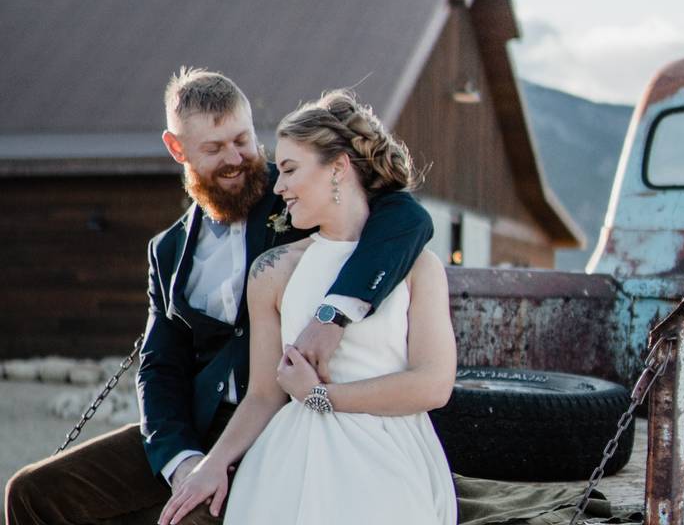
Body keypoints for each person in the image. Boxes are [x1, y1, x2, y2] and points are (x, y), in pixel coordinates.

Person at [4, 69, 433, 525]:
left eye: (242, 140)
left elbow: (407, 217)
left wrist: (333, 315)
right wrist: (182, 460)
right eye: (213, 148)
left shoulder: (297, 195)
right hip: (201, 426)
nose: (235, 159)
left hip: (281, 422)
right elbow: (159, 366)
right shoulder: (167, 250)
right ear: (177, 148)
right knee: (31, 492)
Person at [157, 90, 457, 525]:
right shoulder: (272, 272)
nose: (277, 186)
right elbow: (263, 394)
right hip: (291, 448)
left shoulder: (417, 265)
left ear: (338, 168)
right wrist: (211, 464)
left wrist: (320, 396)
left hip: (390, 447)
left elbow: (433, 385)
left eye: (291, 170)